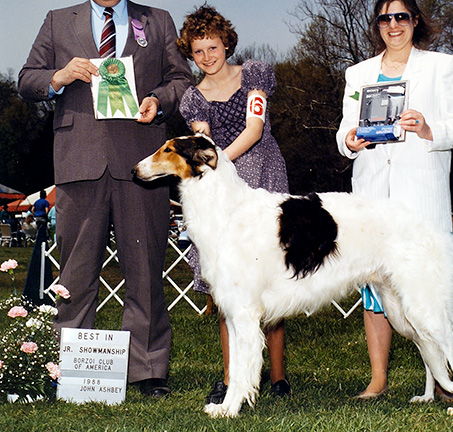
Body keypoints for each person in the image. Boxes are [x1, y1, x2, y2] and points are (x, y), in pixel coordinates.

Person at [19, 0, 193, 397]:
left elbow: (181, 79)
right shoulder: (57, 21)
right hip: (78, 162)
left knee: (146, 271)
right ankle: (69, 369)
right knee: (75, 275)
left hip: (142, 164)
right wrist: (59, 76)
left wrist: (158, 99)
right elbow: (27, 80)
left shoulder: (158, 20)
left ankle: (148, 370)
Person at [336, 0, 453, 400]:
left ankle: (443, 378)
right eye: (385, 18)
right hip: (371, 198)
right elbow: (344, 133)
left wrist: (427, 128)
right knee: (375, 290)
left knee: (426, 291)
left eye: (400, 17)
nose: (393, 25)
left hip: (419, 198)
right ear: (377, 25)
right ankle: (377, 380)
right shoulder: (358, 74)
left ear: (414, 21)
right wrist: (350, 140)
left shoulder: (441, 66)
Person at [177, 5, 291, 403]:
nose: (207, 57)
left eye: (212, 47)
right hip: (220, 193)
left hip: (261, 175)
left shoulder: (254, 74)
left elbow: (255, 129)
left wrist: (221, 161)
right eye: (198, 52)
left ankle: (277, 379)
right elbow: (202, 141)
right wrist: (218, 165)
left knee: (269, 281)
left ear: (226, 43)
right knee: (224, 290)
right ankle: (231, 379)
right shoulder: (193, 99)